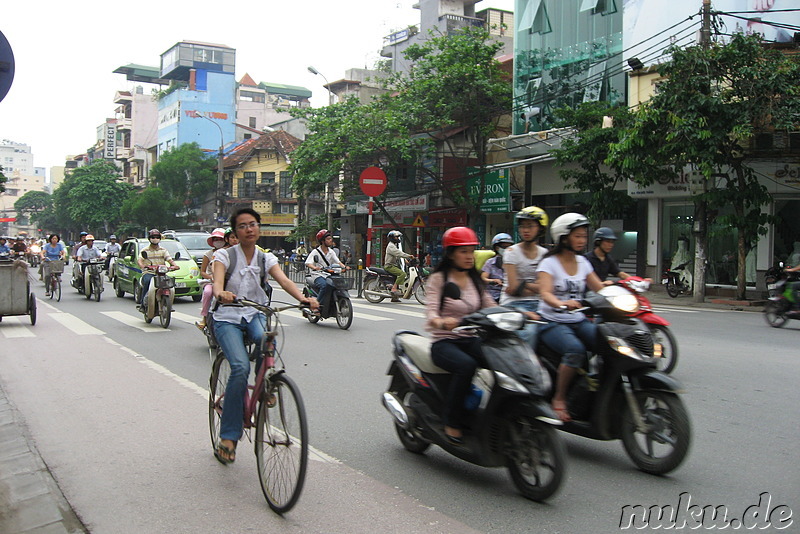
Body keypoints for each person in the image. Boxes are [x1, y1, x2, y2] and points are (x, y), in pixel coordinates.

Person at [211, 208, 318, 464]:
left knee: (267, 339)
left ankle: (264, 386)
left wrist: (303, 298)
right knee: (238, 367)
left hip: (255, 313)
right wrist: (220, 293)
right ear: (235, 232)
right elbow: (217, 282)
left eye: (253, 224)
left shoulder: (265, 258)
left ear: (259, 228)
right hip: (227, 316)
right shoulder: (223, 255)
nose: (249, 229)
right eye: (243, 226)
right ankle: (228, 437)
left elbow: (283, 280)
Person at [425, 227, 496, 444]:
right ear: (451, 253)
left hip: (471, 338)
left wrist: (511, 314)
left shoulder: (474, 279)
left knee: (500, 360)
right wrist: (442, 321)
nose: (469, 256)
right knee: (466, 366)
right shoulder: (439, 279)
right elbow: (431, 312)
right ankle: (452, 422)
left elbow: (489, 304)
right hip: (445, 341)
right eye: (463, 251)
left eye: (471, 251)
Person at [536, 213, 605, 422]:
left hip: (578, 320)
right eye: (578, 236)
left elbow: (599, 287)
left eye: (584, 236)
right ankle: (559, 397)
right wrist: (561, 303)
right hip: (551, 322)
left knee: (608, 342)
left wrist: (622, 292)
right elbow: (545, 293)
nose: (583, 241)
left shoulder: (583, 262)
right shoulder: (549, 263)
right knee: (575, 349)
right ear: (564, 237)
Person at [501, 206, 550, 348]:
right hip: (513, 304)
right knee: (529, 334)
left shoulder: (544, 254)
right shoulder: (511, 252)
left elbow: (544, 287)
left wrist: (523, 284)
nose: (525, 230)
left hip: (539, 305)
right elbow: (513, 289)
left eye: (530, 226)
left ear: (540, 228)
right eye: (522, 226)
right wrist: (534, 287)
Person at [305, 229, 347, 313]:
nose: (331, 240)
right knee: (324, 286)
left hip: (329, 274)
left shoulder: (331, 252)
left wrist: (344, 267)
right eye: (328, 239)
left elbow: (337, 261)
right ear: (322, 241)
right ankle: (316, 306)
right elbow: (308, 263)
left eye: (330, 238)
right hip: (317, 275)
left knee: (342, 283)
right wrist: (315, 267)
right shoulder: (315, 252)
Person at [137, 229, 178, 310]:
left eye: (157, 237)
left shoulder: (163, 250)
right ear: (149, 238)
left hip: (161, 273)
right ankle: (143, 304)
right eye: (153, 237)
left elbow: (169, 259)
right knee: (147, 282)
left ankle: (169, 304)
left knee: (170, 285)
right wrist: (142, 266)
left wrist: (174, 265)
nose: (155, 238)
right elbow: (140, 260)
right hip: (149, 272)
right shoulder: (145, 250)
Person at [196, 228, 226, 330]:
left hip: (226, 280)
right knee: (208, 292)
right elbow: (203, 272)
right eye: (216, 239)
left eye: (220, 239)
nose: (218, 241)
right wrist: (212, 277)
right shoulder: (208, 255)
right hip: (211, 281)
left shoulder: (230, 253)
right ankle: (204, 317)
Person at [481, 233, 514, 303]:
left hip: (509, 297)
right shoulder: (490, 262)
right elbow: (483, 278)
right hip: (492, 297)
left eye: (509, 247)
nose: (506, 249)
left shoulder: (514, 262)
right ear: (497, 248)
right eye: (504, 247)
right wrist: (493, 281)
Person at [384, 230, 414, 301]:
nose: (398, 238)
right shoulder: (391, 246)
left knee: (400, 276)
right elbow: (398, 253)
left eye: (398, 237)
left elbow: (397, 256)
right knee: (402, 274)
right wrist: (408, 256)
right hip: (389, 266)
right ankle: (394, 288)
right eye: (396, 237)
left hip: (394, 265)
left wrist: (405, 260)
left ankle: (394, 298)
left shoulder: (394, 245)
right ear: (392, 238)